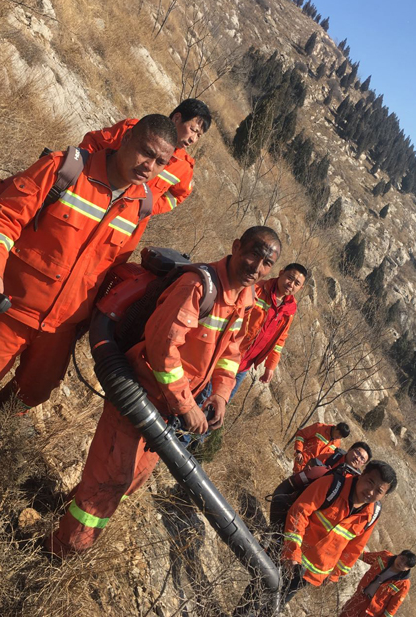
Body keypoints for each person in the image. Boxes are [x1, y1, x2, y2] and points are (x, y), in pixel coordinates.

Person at [0, 115, 178, 454]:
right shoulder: (65, 169)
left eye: (160, 162)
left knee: (36, 391)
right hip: (9, 310)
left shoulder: (140, 207)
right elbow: (5, 218)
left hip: (60, 328)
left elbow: (111, 269)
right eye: (146, 152)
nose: (149, 166)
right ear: (127, 138)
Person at [48, 226, 282, 556]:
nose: (256, 267)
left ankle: (64, 514)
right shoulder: (199, 286)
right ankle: (61, 553)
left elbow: (231, 352)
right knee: (110, 480)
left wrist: (220, 393)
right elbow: (163, 348)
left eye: (266, 263)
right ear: (236, 247)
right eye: (253, 254)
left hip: (166, 410)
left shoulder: (245, 299)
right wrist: (187, 406)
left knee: (130, 480)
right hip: (140, 396)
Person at [233, 460, 397, 616]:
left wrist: (335, 574)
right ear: (362, 474)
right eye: (370, 482)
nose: (370, 492)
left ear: (384, 495)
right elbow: (299, 512)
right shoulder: (333, 485)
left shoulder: (371, 514)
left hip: (310, 572)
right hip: (286, 553)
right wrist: (292, 551)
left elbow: (354, 548)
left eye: (378, 491)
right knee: (258, 590)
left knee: (276, 605)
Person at [79, 98, 211, 213]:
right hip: (88, 198)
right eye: (193, 130)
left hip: (125, 220)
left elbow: (178, 195)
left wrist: (148, 208)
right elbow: (94, 143)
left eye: (198, 135)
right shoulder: (136, 131)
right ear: (177, 118)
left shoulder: (183, 167)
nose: (193, 139)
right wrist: (83, 177)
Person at [230, 263, 307, 401]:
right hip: (228, 356)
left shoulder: (289, 310)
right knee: (204, 399)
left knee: (220, 405)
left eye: (297, 283)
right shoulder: (257, 289)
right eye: (290, 278)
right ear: (281, 273)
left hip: (244, 365)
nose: (291, 284)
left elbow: (280, 340)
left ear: (301, 288)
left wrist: (270, 366)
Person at [269, 441, 372, 538]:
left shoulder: (355, 482)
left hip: (322, 513)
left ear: (363, 464)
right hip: (304, 498)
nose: (358, 458)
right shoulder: (330, 458)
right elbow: (306, 471)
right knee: (280, 502)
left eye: (362, 458)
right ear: (350, 449)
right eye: (357, 452)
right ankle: (272, 534)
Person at [339, 549, 416, 617]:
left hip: (371, 612)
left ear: (408, 569)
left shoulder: (403, 584)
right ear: (399, 555)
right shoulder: (384, 557)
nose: (401, 563)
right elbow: (365, 556)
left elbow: (392, 607)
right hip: (359, 598)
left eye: (405, 564)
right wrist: (345, 549)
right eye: (402, 559)